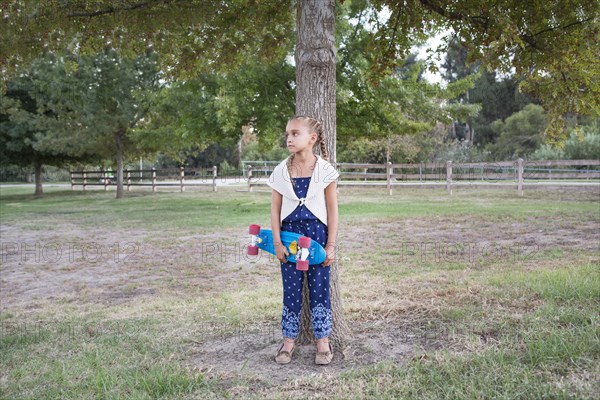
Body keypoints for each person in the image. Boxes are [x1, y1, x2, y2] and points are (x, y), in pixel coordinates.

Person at [266, 115, 340, 365]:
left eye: (295, 133)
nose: (289, 138)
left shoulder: (325, 171)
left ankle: (323, 341)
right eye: (287, 133)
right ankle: (288, 341)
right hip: (289, 239)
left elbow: (332, 211)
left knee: (320, 289)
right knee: (291, 289)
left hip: (317, 238)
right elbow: (274, 210)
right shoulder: (280, 172)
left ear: (312, 138)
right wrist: (277, 243)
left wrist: (330, 246)